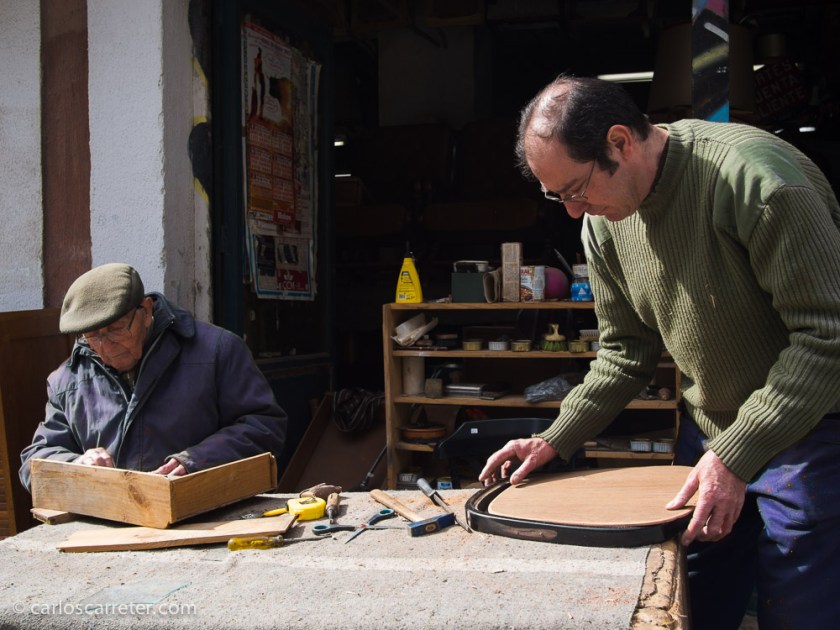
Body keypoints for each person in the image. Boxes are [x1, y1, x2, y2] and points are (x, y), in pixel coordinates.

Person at [479, 74, 840, 629]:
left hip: (810, 428)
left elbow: (827, 337)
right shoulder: (603, 224)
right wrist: (555, 439)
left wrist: (737, 453)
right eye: (558, 198)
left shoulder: (757, 183)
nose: (573, 212)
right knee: (688, 597)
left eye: (575, 189)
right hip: (711, 429)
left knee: (798, 603)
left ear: (620, 142)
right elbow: (625, 353)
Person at [20, 263, 287, 490]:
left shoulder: (217, 351)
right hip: (108, 526)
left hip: (206, 516)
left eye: (115, 330)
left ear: (146, 311)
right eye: (93, 336)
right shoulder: (67, 379)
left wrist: (195, 461)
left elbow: (265, 426)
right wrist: (77, 465)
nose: (106, 346)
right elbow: (34, 463)